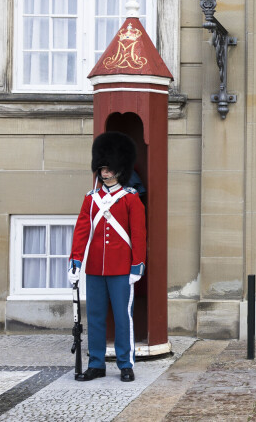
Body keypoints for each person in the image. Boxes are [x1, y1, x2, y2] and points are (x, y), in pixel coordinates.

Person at [67, 131, 146, 382]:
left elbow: (139, 235)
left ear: (118, 169)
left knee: (123, 318)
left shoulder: (131, 199)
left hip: (122, 268)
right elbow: (82, 232)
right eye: (102, 168)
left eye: (109, 168)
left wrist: (137, 265)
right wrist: (76, 261)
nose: (104, 172)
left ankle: (125, 363)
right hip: (95, 269)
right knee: (97, 317)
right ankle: (97, 363)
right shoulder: (90, 200)